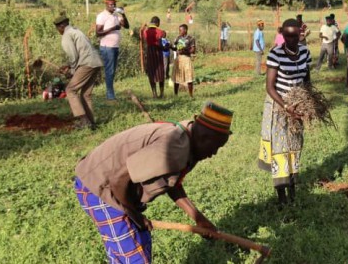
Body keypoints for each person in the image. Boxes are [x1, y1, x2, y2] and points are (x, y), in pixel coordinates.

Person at [74, 102, 232, 263]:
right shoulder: (173, 148)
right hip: (101, 187)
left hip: (119, 190)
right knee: (135, 257)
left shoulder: (190, 137)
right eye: (215, 147)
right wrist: (135, 215)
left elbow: (172, 183)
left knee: (139, 244)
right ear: (205, 137)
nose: (214, 153)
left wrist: (198, 218)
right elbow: (117, 180)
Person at [258, 19, 312, 206]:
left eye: (294, 36)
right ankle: (281, 197)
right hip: (278, 106)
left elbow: (306, 79)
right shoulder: (276, 54)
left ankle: (293, 190)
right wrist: (286, 106)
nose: (290, 39)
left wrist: (308, 102)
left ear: (300, 34)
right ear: (282, 34)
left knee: (294, 147)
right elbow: (270, 87)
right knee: (280, 151)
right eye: (287, 35)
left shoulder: (305, 52)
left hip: (298, 106)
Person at [55, 16, 103, 130]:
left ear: (61, 26)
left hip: (87, 63)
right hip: (96, 62)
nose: (58, 31)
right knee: (85, 94)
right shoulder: (76, 30)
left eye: (58, 28)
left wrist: (72, 71)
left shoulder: (67, 35)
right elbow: (79, 52)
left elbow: (73, 56)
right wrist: (69, 66)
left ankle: (83, 121)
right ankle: (91, 122)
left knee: (70, 90)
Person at [95, 0, 129, 100]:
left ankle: (110, 93)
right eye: (110, 4)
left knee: (112, 70)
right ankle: (110, 95)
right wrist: (114, 27)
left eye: (113, 4)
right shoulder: (102, 16)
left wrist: (123, 14)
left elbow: (127, 26)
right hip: (107, 47)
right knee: (109, 70)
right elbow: (98, 33)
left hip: (115, 46)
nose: (112, 6)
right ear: (106, 4)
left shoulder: (116, 15)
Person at [143, 17, 167, 98]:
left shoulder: (146, 32)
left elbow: (146, 41)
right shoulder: (159, 31)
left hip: (149, 52)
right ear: (157, 23)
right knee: (160, 72)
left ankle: (154, 94)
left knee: (151, 73)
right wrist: (165, 47)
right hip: (157, 52)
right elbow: (160, 44)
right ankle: (162, 94)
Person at [171, 24, 196, 97]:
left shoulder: (191, 38)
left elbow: (193, 50)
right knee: (177, 77)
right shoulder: (178, 38)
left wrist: (185, 51)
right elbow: (175, 48)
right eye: (179, 30)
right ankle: (175, 95)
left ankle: (191, 95)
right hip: (179, 59)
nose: (179, 31)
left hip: (186, 59)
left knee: (189, 78)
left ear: (185, 30)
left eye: (181, 30)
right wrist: (170, 47)